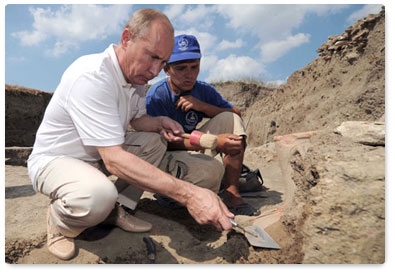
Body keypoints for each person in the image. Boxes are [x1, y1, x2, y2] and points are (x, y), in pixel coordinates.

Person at [27, 9, 234, 261]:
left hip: (94, 157)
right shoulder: (92, 76)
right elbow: (114, 159)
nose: (156, 70)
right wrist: (189, 194)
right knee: (97, 195)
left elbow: (136, 119)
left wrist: (159, 122)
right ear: (127, 38)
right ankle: (60, 222)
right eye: (152, 57)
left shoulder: (135, 77)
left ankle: (117, 210)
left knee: (153, 141)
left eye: (163, 61)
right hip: (56, 161)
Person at [146, 34, 260, 216]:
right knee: (212, 172)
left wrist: (202, 106)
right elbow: (158, 144)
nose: (189, 74)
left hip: (191, 145)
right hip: (165, 155)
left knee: (230, 120)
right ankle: (168, 194)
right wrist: (211, 141)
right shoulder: (157, 96)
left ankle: (232, 193)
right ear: (166, 69)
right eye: (181, 68)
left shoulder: (203, 90)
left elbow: (235, 114)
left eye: (194, 67)